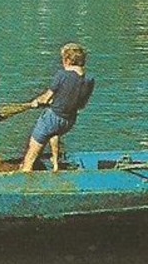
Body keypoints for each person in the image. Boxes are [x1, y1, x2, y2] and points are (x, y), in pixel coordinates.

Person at [15, 43, 95, 172]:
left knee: (31, 154)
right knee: (54, 134)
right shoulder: (89, 80)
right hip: (69, 120)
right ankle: (56, 166)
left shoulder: (61, 75)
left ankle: (26, 177)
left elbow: (46, 98)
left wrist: (36, 101)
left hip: (52, 118)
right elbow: (81, 105)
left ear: (68, 60)